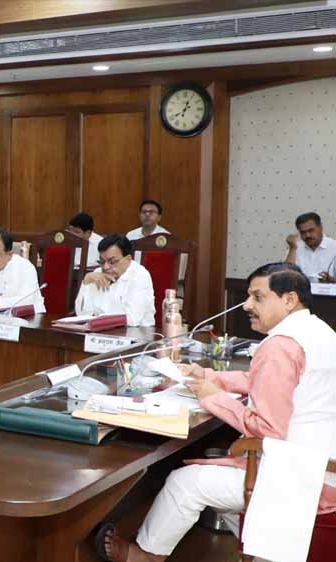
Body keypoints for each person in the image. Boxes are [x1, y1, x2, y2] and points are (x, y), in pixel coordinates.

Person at [99, 263, 336, 562]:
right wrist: (210, 377)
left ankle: (145, 556)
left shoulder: (281, 345)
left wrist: (214, 397)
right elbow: (267, 382)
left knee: (186, 483)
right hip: (324, 466)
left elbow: (267, 429)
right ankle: (263, 554)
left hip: (299, 475)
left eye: (258, 297)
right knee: (216, 485)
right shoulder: (318, 331)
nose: (247, 305)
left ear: (289, 300)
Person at [74, 234, 155, 326]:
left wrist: (98, 318)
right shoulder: (97, 273)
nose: (105, 267)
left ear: (128, 259)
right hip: (100, 330)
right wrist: (86, 283)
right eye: (102, 262)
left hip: (136, 332)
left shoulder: (140, 276)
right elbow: (82, 314)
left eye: (112, 262)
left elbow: (132, 319)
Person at [285, 212, 336, 282]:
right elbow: (286, 277)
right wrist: (292, 249)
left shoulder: (334, 247)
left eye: (311, 230)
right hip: (301, 288)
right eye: (303, 232)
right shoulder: (294, 248)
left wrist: (330, 279)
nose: (307, 235)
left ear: (321, 228)